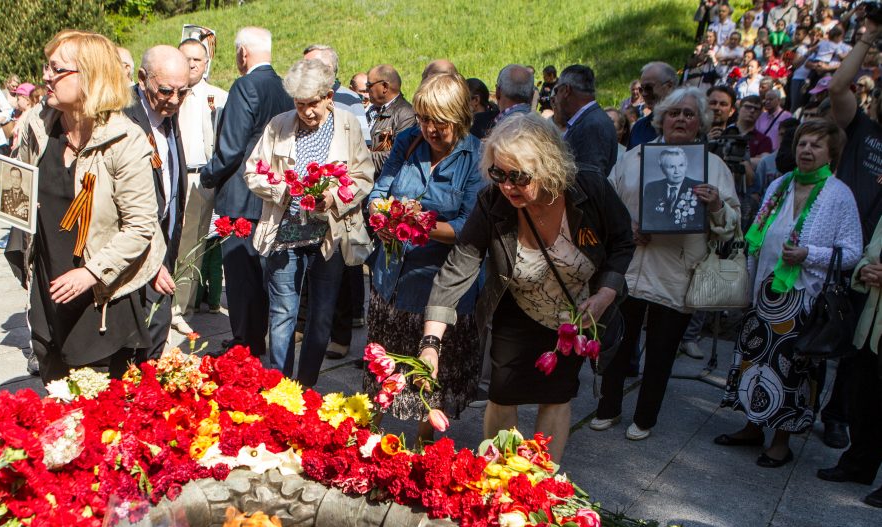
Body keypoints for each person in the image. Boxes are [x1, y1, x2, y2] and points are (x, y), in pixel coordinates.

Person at [420, 113, 634, 463]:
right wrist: (431, 343)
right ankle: (500, 475)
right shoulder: (493, 203)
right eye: (498, 173)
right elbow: (459, 266)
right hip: (517, 305)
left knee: (557, 395)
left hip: (575, 315)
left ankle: (541, 482)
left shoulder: (590, 188)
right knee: (503, 394)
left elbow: (623, 242)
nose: (507, 186)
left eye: (518, 176)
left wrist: (606, 293)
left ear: (549, 165)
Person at [15, 29, 166, 382]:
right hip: (48, 294)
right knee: (55, 408)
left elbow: (140, 227)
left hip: (101, 301)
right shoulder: (38, 127)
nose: (46, 77)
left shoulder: (124, 141)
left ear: (91, 77)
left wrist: (91, 272)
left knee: (98, 417)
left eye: (57, 70)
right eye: (47, 67)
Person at [593, 87, 741, 440]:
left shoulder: (713, 167)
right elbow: (607, 205)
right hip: (629, 268)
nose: (681, 119)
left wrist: (717, 205)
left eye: (689, 114)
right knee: (616, 343)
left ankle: (645, 418)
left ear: (700, 123)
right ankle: (608, 408)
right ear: (661, 118)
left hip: (678, 271)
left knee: (661, 352)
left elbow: (733, 224)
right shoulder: (635, 157)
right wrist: (626, 228)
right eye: (675, 112)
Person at [718, 120, 862, 466]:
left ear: (831, 154)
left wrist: (808, 254)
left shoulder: (839, 194)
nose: (806, 151)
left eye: (815, 145)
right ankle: (753, 426)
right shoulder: (781, 183)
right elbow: (757, 235)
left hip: (803, 298)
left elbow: (852, 251)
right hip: (764, 292)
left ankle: (781, 441)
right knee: (755, 360)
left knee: (789, 370)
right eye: (802, 144)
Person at [365, 72, 483, 443]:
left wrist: (418, 224)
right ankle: (367, 434)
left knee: (429, 375)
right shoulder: (407, 141)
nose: (429, 128)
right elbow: (379, 192)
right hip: (393, 278)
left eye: (439, 121)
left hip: (439, 283)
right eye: (424, 118)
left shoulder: (476, 156)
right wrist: (382, 217)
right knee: (382, 368)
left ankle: (422, 444)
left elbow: (470, 226)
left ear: (460, 117)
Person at [244, 58, 373, 386]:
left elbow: (363, 176)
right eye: (299, 105)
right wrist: (283, 188)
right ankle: (279, 386)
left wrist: (333, 197)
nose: (306, 112)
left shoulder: (347, 125)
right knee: (283, 312)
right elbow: (252, 170)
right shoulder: (278, 125)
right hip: (284, 234)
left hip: (329, 236)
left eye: (313, 103)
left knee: (321, 315)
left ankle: (305, 385)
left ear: (329, 96)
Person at [201, 27, 293, 357]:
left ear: (242, 54)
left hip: (241, 194)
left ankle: (244, 345)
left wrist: (207, 176)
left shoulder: (245, 86)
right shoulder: (285, 89)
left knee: (240, 278)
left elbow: (231, 148)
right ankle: (255, 339)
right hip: (270, 193)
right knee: (260, 274)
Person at [819, 16, 882, 451]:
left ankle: (838, 415)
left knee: (859, 351)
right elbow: (838, 88)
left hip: (875, 262)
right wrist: (869, 36)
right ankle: (801, 407)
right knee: (824, 326)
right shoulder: (864, 130)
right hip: (840, 244)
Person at [123, 45, 189, 361]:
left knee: (157, 332)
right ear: (142, 79)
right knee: (133, 345)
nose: (174, 100)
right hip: (132, 257)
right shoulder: (123, 118)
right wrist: (148, 258)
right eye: (165, 91)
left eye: (182, 92)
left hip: (164, 249)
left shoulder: (169, 115)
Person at [817, 214, 882, 507]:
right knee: (863, 396)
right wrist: (864, 271)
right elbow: (868, 254)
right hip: (871, 324)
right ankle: (858, 464)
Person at [171, 38, 229, 333]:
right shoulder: (168, 94)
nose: (192, 64)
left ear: (206, 64)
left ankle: (181, 307)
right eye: (186, 59)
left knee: (193, 244)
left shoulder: (218, 97)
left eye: (197, 60)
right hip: (170, 176)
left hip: (201, 178)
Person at [553, 64, 618, 177]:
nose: (554, 98)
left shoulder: (592, 125)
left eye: (556, 90)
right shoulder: (590, 119)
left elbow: (591, 183)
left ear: (566, 90)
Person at [303, 44, 370, 144]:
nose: (302, 70)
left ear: (328, 68)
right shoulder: (299, 99)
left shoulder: (351, 99)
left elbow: (364, 145)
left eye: (309, 65)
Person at [641, 147, 705, 232]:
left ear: (686, 166)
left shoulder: (699, 186)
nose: (677, 171)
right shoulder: (652, 188)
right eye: (671, 167)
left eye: (681, 165)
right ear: (662, 169)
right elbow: (647, 221)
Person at [366, 64, 415, 175]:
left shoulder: (406, 114)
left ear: (385, 87)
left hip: (385, 186)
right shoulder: (369, 110)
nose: (366, 89)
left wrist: (360, 157)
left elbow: (397, 157)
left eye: (369, 85)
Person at [628, 62, 677, 148]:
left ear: (669, 87)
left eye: (648, 88)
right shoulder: (639, 128)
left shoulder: (686, 126)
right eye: (641, 89)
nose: (644, 94)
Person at [756, 89, 792, 153]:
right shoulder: (761, 116)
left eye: (770, 99)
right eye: (766, 99)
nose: (767, 102)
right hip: (760, 151)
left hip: (776, 152)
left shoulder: (787, 116)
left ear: (778, 100)